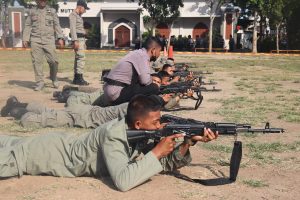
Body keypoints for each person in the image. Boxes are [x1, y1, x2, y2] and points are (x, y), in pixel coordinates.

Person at [0, 95, 218, 192]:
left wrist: (187, 143)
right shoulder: (114, 134)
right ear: (139, 123)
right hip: (39, 155)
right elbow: (123, 181)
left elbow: (164, 165)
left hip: (54, 144)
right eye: (156, 121)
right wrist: (157, 153)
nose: (160, 125)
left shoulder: (138, 132)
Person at [0, 96, 127, 129]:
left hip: (84, 112)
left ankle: (16, 104)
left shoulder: (138, 104)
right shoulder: (137, 109)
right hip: (81, 117)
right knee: (35, 121)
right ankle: (15, 110)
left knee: (50, 112)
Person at [103, 37, 162, 106]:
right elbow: (145, 81)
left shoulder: (138, 53)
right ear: (153, 50)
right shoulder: (142, 56)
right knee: (153, 88)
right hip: (116, 92)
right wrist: (155, 83)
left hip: (111, 90)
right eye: (159, 51)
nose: (159, 54)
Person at [22, 0, 64, 91]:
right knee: (37, 62)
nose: (43, 1)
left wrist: (60, 37)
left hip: (49, 40)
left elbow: (57, 25)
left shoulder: (52, 11)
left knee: (54, 61)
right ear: (37, 1)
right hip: (35, 40)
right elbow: (28, 25)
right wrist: (25, 38)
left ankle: (54, 77)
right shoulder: (32, 11)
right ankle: (40, 82)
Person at [69, 0, 90, 85]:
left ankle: (76, 78)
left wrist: (84, 41)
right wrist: (75, 40)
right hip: (77, 39)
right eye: (85, 9)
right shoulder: (73, 15)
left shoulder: (79, 16)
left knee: (78, 58)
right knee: (81, 58)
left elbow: (80, 29)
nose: (85, 11)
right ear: (80, 7)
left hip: (81, 39)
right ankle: (79, 78)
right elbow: (73, 28)